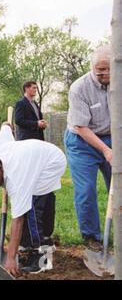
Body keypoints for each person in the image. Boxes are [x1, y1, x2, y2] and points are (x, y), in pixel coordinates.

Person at [0, 123, 67, 276]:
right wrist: (6, 125)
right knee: (40, 201)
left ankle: (42, 256)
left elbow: (18, 219)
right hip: (42, 157)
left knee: (32, 210)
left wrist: (10, 258)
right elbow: (5, 130)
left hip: (52, 163)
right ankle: (40, 241)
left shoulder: (16, 179)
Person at [64, 45, 112, 251]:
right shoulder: (79, 88)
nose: (104, 74)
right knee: (86, 190)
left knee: (118, 188)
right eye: (100, 70)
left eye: (108, 69)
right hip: (82, 142)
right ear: (92, 67)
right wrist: (106, 150)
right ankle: (92, 237)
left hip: (112, 138)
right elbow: (81, 127)